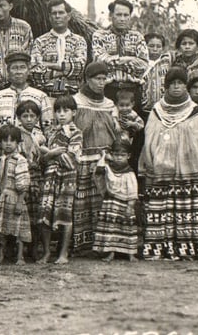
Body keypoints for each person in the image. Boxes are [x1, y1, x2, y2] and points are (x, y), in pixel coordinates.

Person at [138, 67, 198, 260]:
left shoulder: (194, 110)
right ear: (166, 87)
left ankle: (186, 250)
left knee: (185, 208)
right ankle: (159, 249)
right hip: (161, 168)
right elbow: (149, 137)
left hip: (186, 168)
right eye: (173, 84)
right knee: (161, 208)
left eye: (180, 83)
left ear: (185, 86)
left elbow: (196, 138)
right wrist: (156, 158)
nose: (176, 87)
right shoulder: (157, 110)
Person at [72, 62, 121, 256]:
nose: (101, 83)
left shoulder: (109, 104)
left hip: (103, 159)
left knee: (104, 200)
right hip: (83, 159)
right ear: (87, 79)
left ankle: (104, 245)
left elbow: (117, 131)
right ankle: (82, 245)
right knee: (82, 201)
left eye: (104, 79)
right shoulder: (76, 102)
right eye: (97, 79)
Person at [37, 95, 82, 264]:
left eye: (66, 111)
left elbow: (72, 159)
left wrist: (50, 153)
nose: (61, 114)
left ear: (74, 113)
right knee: (45, 212)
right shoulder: (51, 133)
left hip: (67, 177)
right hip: (49, 175)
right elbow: (41, 160)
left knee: (64, 213)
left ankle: (63, 253)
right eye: (58, 111)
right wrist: (51, 154)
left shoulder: (77, 133)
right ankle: (47, 252)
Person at [91, 0, 149, 104]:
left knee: (133, 120)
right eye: (118, 15)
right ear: (111, 16)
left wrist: (112, 62)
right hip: (108, 89)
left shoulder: (137, 37)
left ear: (130, 17)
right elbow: (99, 62)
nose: (122, 19)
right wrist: (129, 59)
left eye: (126, 15)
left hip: (133, 89)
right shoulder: (99, 36)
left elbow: (143, 65)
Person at [92, 140, 140, 262]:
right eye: (116, 155)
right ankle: (110, 252)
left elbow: (133, 191)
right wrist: (104, 156)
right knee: (111, 228)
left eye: (122, 155)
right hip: (111, 203)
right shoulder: (109, 168)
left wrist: (130, 206)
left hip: (125, 204)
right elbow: (99, 172)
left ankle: (130, 254)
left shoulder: (129, 172)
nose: (119, 158)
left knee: (126, 229)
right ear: (112, 154)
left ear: (128, 156)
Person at [0, 124, 32, 265]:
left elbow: (24, 182)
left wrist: (20, 201)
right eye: (5, 140)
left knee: (18, 227)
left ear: (17, 142)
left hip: (15, 196)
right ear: (0, 143)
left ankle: (20, 256)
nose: (8, 144)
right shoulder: (0, 159)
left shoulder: (20, 160)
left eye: (12, 140)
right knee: (1, 227)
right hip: (3, 196)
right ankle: (0, 255)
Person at [30, 0, 88, 97]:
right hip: (47, 96)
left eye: (61, 13)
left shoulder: (79, 41)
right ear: (49, 17)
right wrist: (65, 69)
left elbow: (79, 67)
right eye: (54, 13)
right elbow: (35, 72)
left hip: (73, 96)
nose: (57, 16)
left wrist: (49, 65)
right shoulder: (40, 41)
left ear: (68, 16)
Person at [15, 100, 48, 262]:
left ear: (37, 118)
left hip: (36, 176)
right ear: (19, 118)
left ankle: (34, 249)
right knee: (23, 214)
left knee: (36, 214)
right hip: (22, 176)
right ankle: (19, 250)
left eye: (32, 116)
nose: (29, 119)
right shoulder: (18, 135)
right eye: (25, 116)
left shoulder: (37, 137)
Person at [0, 50, 52, 132]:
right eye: (14, 68)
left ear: (28, 71)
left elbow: (48, 128)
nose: (18, 72)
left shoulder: (41, 96)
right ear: (8, 71)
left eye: (22, 67)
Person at [139, 32, 172, 115]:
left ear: (163, 48)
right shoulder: (140, 64)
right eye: (151, 46)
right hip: (143, 109)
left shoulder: (168, 62)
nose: (155, 49)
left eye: (158, 46)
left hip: (164, 110)